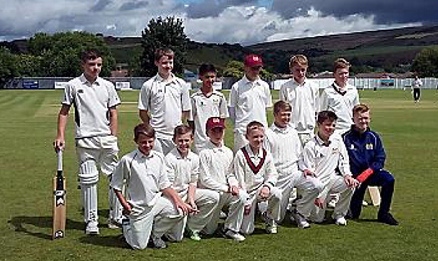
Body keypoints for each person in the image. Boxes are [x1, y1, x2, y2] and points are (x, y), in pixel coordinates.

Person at [53, 49, 123, 234]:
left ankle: (116, 217)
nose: (96, 68)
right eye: (92, 64)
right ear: (83, 65)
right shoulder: (73, 85)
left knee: (116, 178)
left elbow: (114, 113)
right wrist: (60, 135)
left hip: (106, 139)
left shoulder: (107, 86)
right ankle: (91, 221)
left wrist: (113, 136)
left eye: (99, 64)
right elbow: (64, 112)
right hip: (85, 139)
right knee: (89, 179)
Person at [111, 123, 195, 250]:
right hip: (139, 208)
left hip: (156, 202)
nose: (147, 145)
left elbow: (165, 185)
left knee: (179, 211)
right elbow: (116, 185)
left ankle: (155, 235)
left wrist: (180, 202)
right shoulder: (128, 160)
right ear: (136, 141)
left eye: (150, 141)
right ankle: (127, 226)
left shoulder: (159, 157)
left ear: (154, 140)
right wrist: (124, 204)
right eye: (143, 142)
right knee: (139, 246)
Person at [264, 101, 321, 229]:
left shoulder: (293, 132)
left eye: (288, 115)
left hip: (294, 173)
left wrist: (305, 168)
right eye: (283, 115)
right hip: (279, 177)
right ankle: (268, 213)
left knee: (316, 185)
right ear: (275, 114)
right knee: (278, 219)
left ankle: (299, 212)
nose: (286, 118)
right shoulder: (268, 134)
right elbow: (266, 161)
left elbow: (299, 155)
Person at [342, 104, 399, 225]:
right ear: (353, 119)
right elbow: (341, 160)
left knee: (389, 180)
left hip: (370, 174)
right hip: (354, 178)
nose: (363, 121)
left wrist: (368, 172)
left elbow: (380, 158)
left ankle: (384, 213)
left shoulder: (374, 137)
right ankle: (349, 208)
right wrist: (351, 176)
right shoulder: (345, 138)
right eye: (360, 118)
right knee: (354, 214)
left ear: (370, 118)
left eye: (366, 118)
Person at [299, 111, 358, 226]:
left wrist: (347, 175)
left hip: (332, 180)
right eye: (327, 125)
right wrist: (321, 194)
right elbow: (311, 176)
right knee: (317, 219)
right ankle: (298, 208)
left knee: (350, 184)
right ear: (318, 125)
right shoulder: (310, 146)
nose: (330, 128)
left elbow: (343, 160)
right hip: (317, 185)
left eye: (333, 125)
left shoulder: (337, 139)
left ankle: (339, 214)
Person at [165, 125, 220, 241]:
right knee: (176, 238)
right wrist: (182, 204)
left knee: (214, 197)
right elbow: (168, 188)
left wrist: (191, 200)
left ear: (192, 139)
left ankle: (193, 227)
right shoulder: (169, 159)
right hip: (172, 197)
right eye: (180, 141)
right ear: (174, 140)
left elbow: (193, 182)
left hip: (186, 193)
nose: (183, 144)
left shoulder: (194, 157)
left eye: (186, 140)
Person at [197, 117, 247, 242]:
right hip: (212, 193)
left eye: (220, 130)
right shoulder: (204, 153)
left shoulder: (228, 152)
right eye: (214, 131)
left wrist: (234, 185)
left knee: (242, 195)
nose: (217, 134)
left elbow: (230, 173)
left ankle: (231, 229)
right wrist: (225, 188)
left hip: (226, 191)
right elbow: (205, 179)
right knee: (209, 231)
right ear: (207, 132)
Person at [138, 48, 191, 155]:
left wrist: (178, 126)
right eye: (164, 63)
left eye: (170, 62)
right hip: (157, 136)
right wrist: (152, 127)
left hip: (176, 136)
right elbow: (143, 111)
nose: (168, 66)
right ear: (156, 62)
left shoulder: (181, 84)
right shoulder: (148, 85)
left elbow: (186, 110)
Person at [232, 121, 281, 235]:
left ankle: (270, 218)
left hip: (260, 191)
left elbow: (273, 174)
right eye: (255, 137)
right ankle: (253, 212)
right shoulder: (240, 154)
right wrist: (246, 202)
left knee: (277, 193)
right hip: (246, 194)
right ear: (247, 137)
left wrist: (267, 187)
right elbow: (240, 180)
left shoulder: (266, 154)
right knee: (247, 231)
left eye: (261, 136)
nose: (258, 140)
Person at [228, 54, 273, 152]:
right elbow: (231, 109)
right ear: (245, 68)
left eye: (258, 68)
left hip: (261, 131)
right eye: (253, 68)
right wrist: (240, 125)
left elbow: (266, 108)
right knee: (242, 161)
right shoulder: (237, 87)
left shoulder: (264, 86)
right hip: (243, 132)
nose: (255, 71)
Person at [279, 54, 319, 146]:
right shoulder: (285, 87)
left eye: (303, 70)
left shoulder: (313, 87)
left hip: (309, 131)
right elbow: (282, 111)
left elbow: (316, 110)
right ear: (291, 69)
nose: (300, 73)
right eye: (297, 70)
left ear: (307, 68)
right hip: (291, 131)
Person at [188, 63, 229, 153]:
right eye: (207, 77)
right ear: (201, 77)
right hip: (200, 140)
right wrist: (194, 136)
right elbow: (191, 121)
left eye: (212, 77)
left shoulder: (220, 97)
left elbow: (223, 118)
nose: (210, 80)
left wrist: (219, 135)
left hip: (216, 139)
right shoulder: (195, 98)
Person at [319, 58, 360, 135]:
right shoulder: (327, 92)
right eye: (340, 74)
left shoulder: (353, 90)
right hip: (334, 131)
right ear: (334, 74)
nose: (344, 76)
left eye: (346, 73)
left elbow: (357, 111)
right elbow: (322, 114)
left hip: (350, 129)